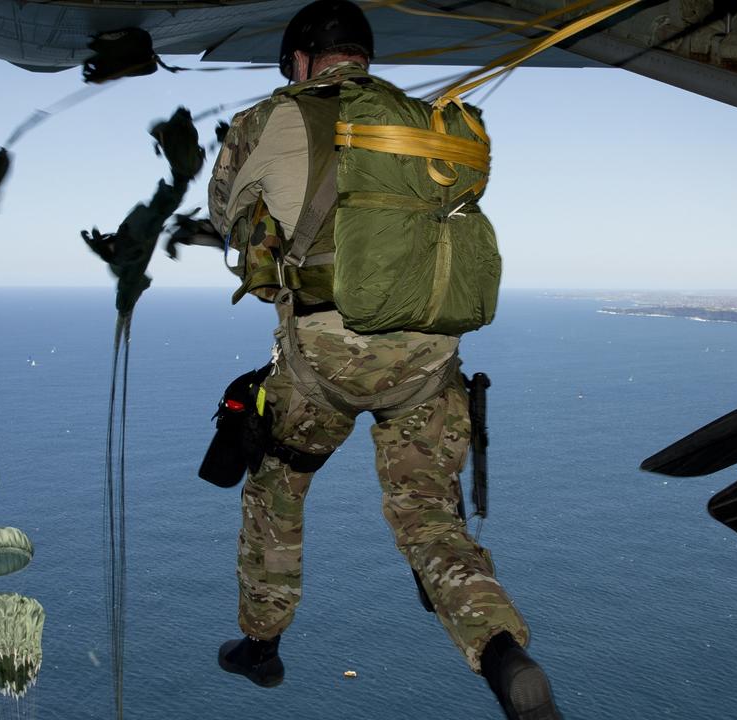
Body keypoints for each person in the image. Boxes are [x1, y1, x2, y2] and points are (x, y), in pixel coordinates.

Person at [205, 2, 563, 719]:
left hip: (326, 363)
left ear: (304, 58)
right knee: (428, 516)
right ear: (361, 56)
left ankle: (262, 645)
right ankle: (500, 652)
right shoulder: (425, 123)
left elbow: (224, 214)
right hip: (430, 359)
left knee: (279, 485)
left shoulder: (268, 119)